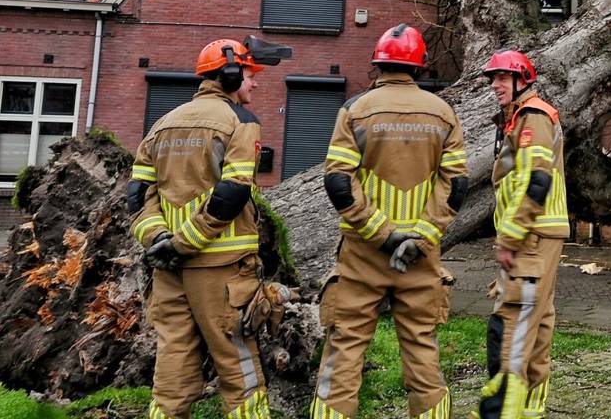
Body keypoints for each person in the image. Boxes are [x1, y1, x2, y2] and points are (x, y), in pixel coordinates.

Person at [127, 36, 291, 419]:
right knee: (239, 362)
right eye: (251, 75)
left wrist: (158, 240)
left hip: (169, 270)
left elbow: (137, 195)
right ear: (231, 75)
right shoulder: (241, 122)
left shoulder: (162, 124)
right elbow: (233, 192)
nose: (256, 83)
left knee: (172, 362)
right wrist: (188, 242)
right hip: (221, 270)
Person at [311, 24, 468, 419]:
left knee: (344, 352)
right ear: (420, 66)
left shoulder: (355, 110)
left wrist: (382, 235)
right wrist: (421, 236)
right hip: (420, 256)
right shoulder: (444, 113)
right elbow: (456, 184)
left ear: (378, 63)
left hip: (363, 255)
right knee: (422, 351)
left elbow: (338, 181)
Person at [474, 50, 568, 419]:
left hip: (531, 236)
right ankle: (530, 410)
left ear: (522, 80)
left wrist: (510, 238)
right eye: (492, 79)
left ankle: (499, 412)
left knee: (511, 323)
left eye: (501, 78)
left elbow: (536, 180)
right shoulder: (518, 119)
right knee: (539, 322)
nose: (494, 85)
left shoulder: (532, 117)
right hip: (539, 234)